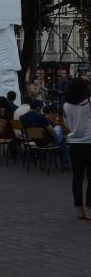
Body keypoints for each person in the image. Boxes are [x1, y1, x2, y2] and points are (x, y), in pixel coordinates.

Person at [63, 78, 91, 219]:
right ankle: (89, 209)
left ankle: (79, 209)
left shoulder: (66, 105)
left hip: (74, 143)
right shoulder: (89, 102)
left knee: (77, 178)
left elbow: (67, 124)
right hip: (89, 142)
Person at [20, 99, 70, 168]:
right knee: (60, 133)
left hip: (34, 141)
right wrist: (56, 134)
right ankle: (65, 163)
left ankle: (62, 158)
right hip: (47, 142)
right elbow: (51, 131)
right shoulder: (41, 117)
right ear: (37, 108)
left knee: (60, 135)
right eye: (40, 109)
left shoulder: (22, 118)